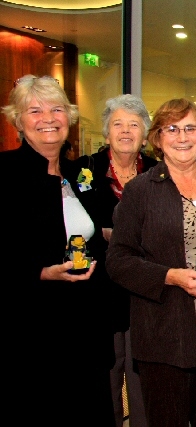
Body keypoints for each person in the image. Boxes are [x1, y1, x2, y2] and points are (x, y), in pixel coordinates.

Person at [106, 98, 196, 427]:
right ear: (157, 138)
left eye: (189, 128)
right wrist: (172, 277)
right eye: (171, 128)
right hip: (164, 331)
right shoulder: (142, 190)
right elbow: (118, 259)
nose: (182, 136)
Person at [0, 74, 115, 425]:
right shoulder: (4, 174)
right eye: (34, 110)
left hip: (85, 329)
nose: (48, 118)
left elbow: (97, 235)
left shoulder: (79, 174)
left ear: (70, 117)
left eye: (57, 109)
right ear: (18, 121)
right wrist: (41, 272)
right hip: (33, 333)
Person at [76, 94, 158, 427]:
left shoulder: (158, 172)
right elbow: (76, 230)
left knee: (144, 385)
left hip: (146, 297)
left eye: (134, 125)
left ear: (144, 133)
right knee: (105, 381)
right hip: (99, 296)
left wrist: (117, 235)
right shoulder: (84, 170)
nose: (126, 131)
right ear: (107, 131)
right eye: (118, 124)